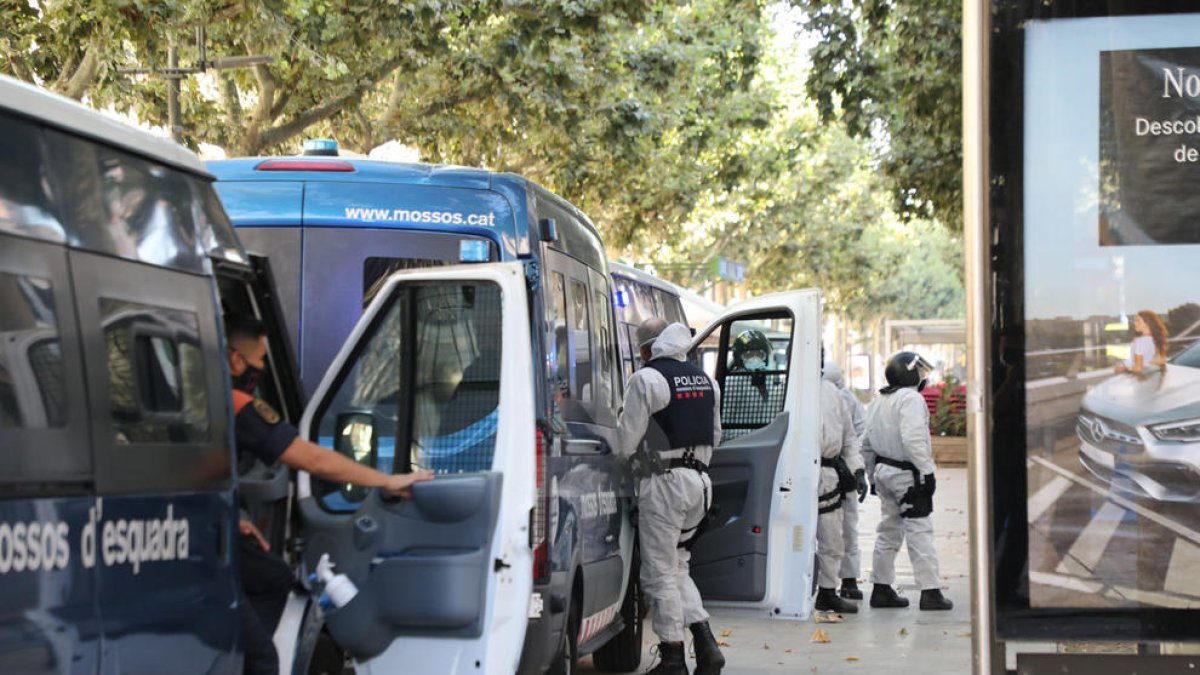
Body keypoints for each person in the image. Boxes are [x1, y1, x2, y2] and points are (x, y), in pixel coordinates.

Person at [225, 314, 434, 675]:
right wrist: (387, 481)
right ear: (234, 359)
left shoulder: (199, 400)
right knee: (260, 660)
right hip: (202, 542)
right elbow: (312, 459)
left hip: (208, 530)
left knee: (272, 577)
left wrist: (233, 518)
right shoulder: (237, 404)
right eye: (258, 361)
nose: (260, 369)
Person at [617, 318, 725, 675]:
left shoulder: (647, 379)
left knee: (659, 572)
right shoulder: (706, 381)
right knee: (678, 565)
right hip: (700, 483)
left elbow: (625, 441)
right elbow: (716, 435)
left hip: (664, 485)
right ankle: (707, 645)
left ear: (648, 347)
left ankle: (673, 656)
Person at [863, 351, 952, 611]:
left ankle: (881, 589)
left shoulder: (878, 401)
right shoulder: (911, 399)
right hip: (907, 475)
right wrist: (927, 472)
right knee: (919, 529)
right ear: (910, 373)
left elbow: (866, 444)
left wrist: (870, 476)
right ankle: (930, 591)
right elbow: (913, 439)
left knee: (888, 531)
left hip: (883, 472)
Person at [813, 372, 866, 613]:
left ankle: (826, 591)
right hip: (796, 471)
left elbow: (849, 437)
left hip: (828, 473)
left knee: (832, 536)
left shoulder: (832, 392)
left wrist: (857, 471)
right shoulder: (791, 386)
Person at [1114, 309, 1168, 374]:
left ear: (1147, 323)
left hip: (1138, 377)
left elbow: (1138, 368)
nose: (1134, 323)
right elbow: (1161, 360)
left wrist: (1124, 368)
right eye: (1135, 320)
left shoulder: (1140, 341)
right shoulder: (1155, 338)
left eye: (1138, 320)